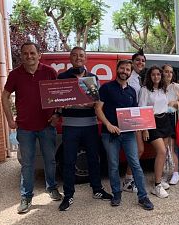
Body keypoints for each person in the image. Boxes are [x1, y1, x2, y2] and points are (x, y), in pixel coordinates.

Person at [1, 42, 62, 214]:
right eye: (26, 53)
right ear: (21, 56)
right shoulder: (15, 75)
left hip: (46, 126)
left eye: (32, 53)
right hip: (25, 127)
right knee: (27, 164)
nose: (29, 56)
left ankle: (51, 188)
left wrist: (57, 115)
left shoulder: (50, 72)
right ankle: (26, 196)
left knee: (50, 160)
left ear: (39, 54)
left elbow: (59, 96)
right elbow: (4, 96)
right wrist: (9, 120)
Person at [57, 47, 112, 211]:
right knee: (69, 161)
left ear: (86, 58)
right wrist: (60, 106)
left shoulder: (93, 78)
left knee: (94, 159)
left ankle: (97, 190)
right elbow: (57, 102)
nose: (78, 58)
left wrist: (88, 103)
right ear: (70, 58)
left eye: (81, 55)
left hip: (90, 125)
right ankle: (68, 195)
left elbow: (97, 102)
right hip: (70, 126)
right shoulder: (62, 77)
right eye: (74, 55)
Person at [95, 60, 154, 210]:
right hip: (110, 134)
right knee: (113, 165)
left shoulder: (132, 91)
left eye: (128, 69)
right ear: (117, 69)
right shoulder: (106, 88)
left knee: (135, 164)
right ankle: (116, 194)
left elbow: (135, 114)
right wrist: (108, 125)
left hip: (128, 134)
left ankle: (143, 196)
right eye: (122, 68)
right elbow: (98, 109)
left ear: (130, 72)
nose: (125, 71)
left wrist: (143, 127)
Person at [138, 65, 173, 198]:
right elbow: (142, 109)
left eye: (158, 74)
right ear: (149, 76)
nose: (156, 77)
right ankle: (157, 186)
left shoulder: (164, 89)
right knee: (161, 151)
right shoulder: (145, 90)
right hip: (151, 122)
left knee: (162, 154)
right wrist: (145, 128)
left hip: (165, 121)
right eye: (153, 74)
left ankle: (159, 178)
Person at [123, 48, 147, 193]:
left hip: (138, 117)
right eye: (137, 60)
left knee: (137, 150)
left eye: (143, 61)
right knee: (138, 150)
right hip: (131, 118)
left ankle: (129, 179)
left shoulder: (138, 78)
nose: (140, 62)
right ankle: (128, 180)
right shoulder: (130, 78)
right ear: (132, 62)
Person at [162, 64, 179, 185]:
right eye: (166, 71)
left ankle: (175, 173)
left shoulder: (176, 87)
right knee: (162, 148)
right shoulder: (157, 87)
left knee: (170, 147)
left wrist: (174, 102)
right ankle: (165, 172)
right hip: (159, 118)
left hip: (171, 117)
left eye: (171, 72)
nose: (169, 74)